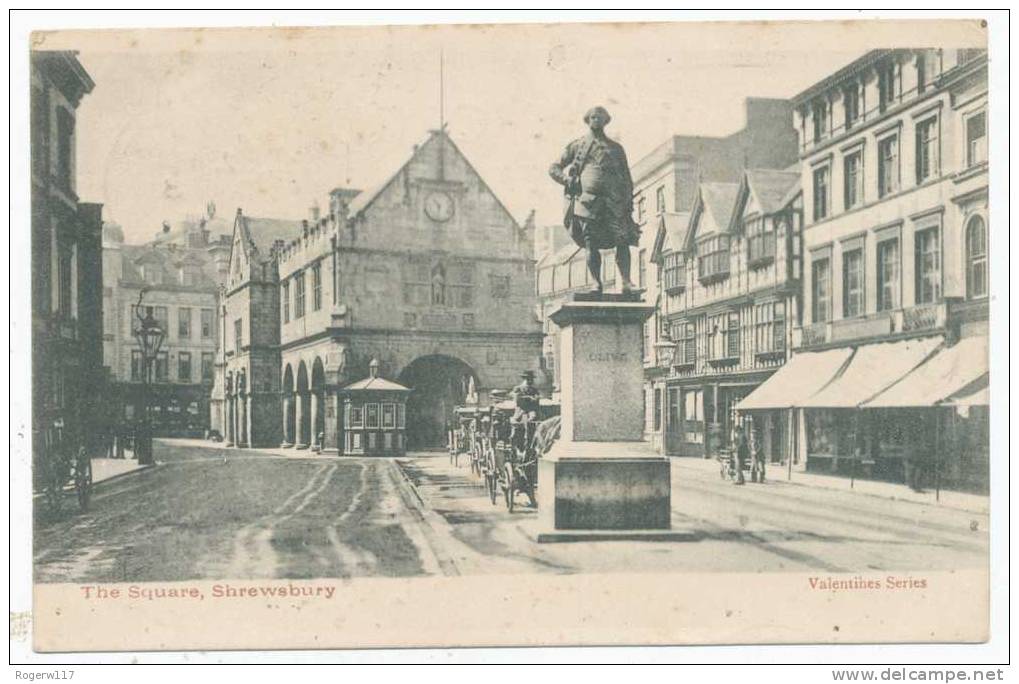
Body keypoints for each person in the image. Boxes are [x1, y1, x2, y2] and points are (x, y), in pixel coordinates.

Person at [549, 106, 639, 295]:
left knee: (621, 240)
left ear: (607, 121)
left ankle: (626, 282)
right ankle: (597, 283)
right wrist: (567, 180)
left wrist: (628, 202)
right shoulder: (578, 146)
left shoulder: (616, 149)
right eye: (593, 117)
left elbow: (627, 177)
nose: (596, 120)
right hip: (587, 203)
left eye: (601, 117)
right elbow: (554, 168)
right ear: (587, 120)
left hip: (614, 203)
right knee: (591, 243)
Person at [510, 370, 541, 452]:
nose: (530, 381)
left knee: (534, 418)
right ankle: (519, 444)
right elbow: (517, 399)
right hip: (521, 411)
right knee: (520, 424)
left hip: (531, 410)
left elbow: (537, 400)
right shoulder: (518, 389)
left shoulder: (534, 390)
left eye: (531, 379)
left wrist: (533, 399)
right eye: (529, 379)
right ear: (525, 379)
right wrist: (529, 398)